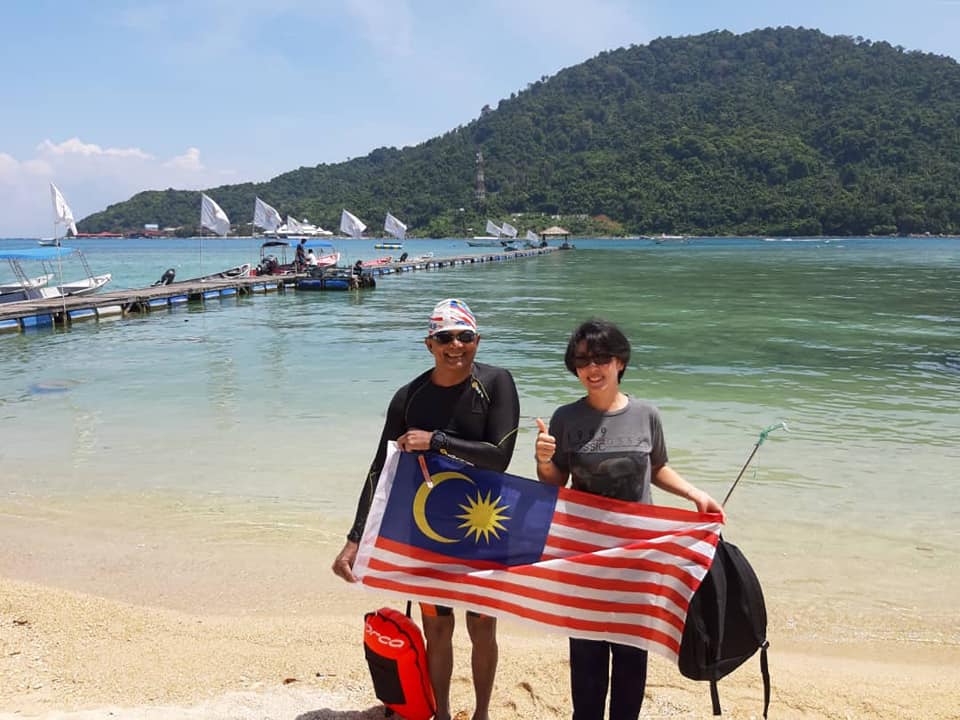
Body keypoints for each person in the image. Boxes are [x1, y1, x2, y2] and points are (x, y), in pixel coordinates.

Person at [332, 298, 520, 720]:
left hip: (483, 524)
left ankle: (482, 714)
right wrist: (355, 538)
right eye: (445, 338)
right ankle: (441, 713)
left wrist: (436, 440)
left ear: (478, 340)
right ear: (429, 344)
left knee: (482, 625)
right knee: (437, 625)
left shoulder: (497, 383)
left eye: (465, 336)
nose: (456, 346)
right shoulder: (409, 397)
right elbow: (381, 469)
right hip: (426, 528)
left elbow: (499, 456)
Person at [534, 318, 724, 720]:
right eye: (583, 360)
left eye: (602, 357)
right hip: (585, 557)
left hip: (638, 557)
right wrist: (543, 460)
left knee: (631, 656)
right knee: (586, 656)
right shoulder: (566, 418)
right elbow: (555, 482)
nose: (592, 367)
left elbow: (656, 468)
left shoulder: (645, 414)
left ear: (620, 362)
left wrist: (695, 494)